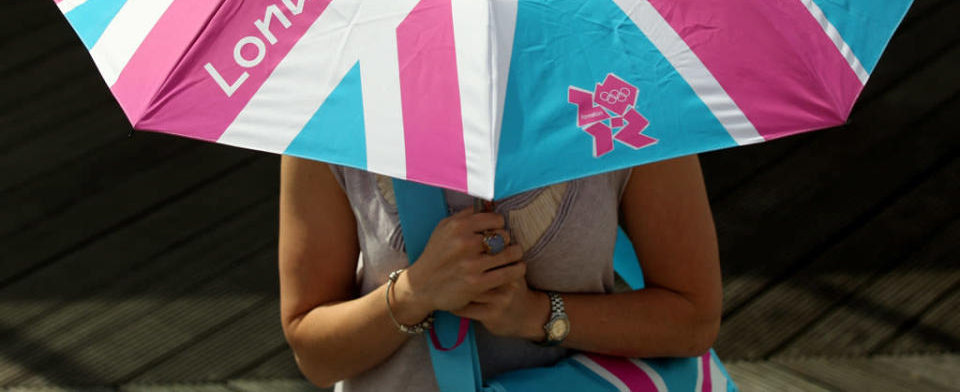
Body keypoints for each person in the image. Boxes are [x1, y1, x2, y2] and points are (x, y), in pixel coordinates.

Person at [278, 153, 722, 391]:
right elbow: (316, 356)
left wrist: (536, 315)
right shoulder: (334, 120)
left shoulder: (621, 99)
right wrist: (415, 293)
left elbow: (692, 320)